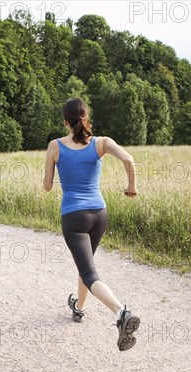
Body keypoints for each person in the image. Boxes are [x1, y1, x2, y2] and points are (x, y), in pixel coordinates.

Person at [43, 97, 140, 351]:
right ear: (86, 117)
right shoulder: (102, 143)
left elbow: (47, 186)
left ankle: (121, 313)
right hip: (99, 214)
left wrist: (54, 170)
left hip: (74, 217)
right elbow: (129, 160)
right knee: (86, 265)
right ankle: (79, 307)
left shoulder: (55, 146)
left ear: (65, 121)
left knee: (89, 273)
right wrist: (131, 187)